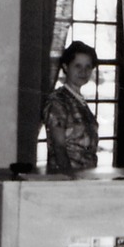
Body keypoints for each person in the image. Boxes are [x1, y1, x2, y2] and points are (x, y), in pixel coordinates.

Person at [42, 41, 100, 173]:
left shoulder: (79, 101)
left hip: (86, 177)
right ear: (66, 67)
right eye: (77, 66)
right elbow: (59, 147)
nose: (83, 71)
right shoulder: (58, 101)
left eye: (88, 67)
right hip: (65, 177)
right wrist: (70, 181)